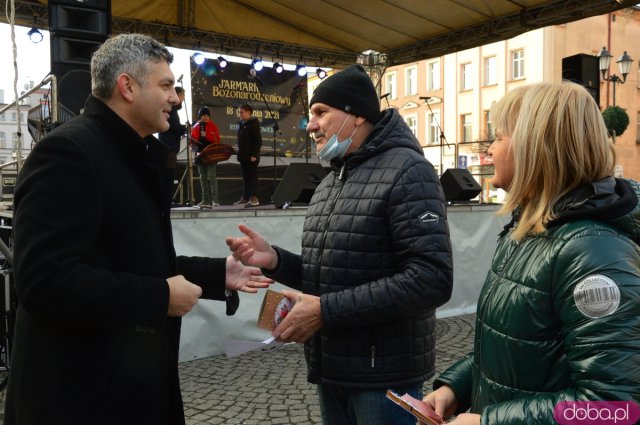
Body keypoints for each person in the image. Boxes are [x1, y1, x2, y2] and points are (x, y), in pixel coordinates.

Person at [4, 33, 272, 425]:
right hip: (81, 400)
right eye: (165, 85)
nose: (176, 98)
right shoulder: (68, 153)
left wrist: (217, 274)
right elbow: (44, 280)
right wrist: (159, 296)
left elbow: (127, 259)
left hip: (123, 392)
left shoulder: (130, 153)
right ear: (127, 87)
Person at [226, 64, 453, 425]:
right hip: (332, 369)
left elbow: (431, 279)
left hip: (384, 379)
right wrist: (275, 261)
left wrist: (325, 311)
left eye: (320, 113)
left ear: (356, 114)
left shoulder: (409, 171)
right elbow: (335, 273)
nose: (311, 125)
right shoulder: (330, 182)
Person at [423, 82, 640, 425]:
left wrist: (488, 422)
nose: (489, 149)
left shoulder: (591, 251)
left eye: (498, 136)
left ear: (536, 146)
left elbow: (615, 408)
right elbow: (513, 343)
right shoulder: (529, 230)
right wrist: (457, 386)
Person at [158, 86, 186, 204]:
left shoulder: (172, 110)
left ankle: (167, 200)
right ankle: (167, 201)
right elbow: (174, 126)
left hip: (168, 147)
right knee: (168, 175)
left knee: (169, 174)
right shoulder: (171, 110)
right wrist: (186, 128)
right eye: (183, 97)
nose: (183, 100)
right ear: (178, 95)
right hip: (168, 148)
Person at [190, 107, 221, 208]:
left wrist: (207, 136)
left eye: (207, 115)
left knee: (211, 176)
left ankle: (215, 200)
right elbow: (192, 140)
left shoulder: (213, 126)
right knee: (202, 178)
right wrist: (192, 143)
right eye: (203, 115)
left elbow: (217, 141)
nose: (205, 117)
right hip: (200, 154)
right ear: (200, 117)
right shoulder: (196, 127)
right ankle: (205, 200)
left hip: (211, 155)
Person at [234, 104, 262, 207]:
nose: (240, 114)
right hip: (243, 156)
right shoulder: (241, 124)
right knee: (246, 178)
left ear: (248, 112)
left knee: (252, 177)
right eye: (239, 112)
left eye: (241, 112)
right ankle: (245, 198)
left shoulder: (254, 123)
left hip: (251, 156)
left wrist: (254, 154)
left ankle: (254, 198)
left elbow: (257, 140)